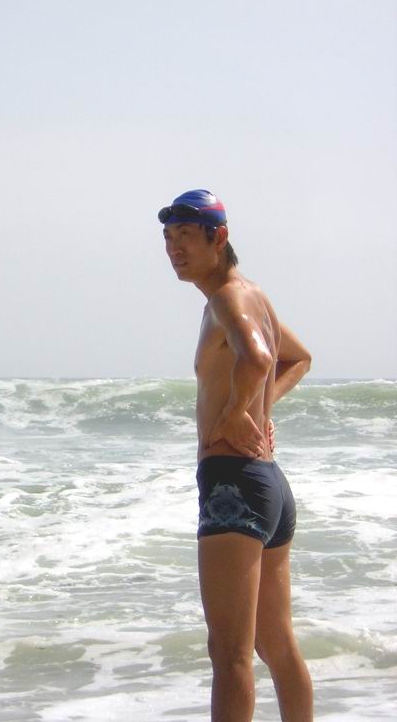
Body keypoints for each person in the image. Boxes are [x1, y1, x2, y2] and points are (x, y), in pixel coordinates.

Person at [158, 189, 313, 722]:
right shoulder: (252, 295)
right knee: (276, 645)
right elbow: (299, 358)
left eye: (185, 236)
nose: (174, 249)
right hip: (268, 485)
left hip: (233, 484)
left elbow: (262, 357)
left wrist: (234, 414)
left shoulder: (227, 297)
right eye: (168, 238)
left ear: (218, 237)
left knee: (229, 654)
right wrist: (259, 409)